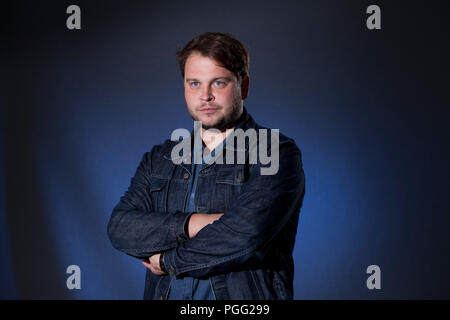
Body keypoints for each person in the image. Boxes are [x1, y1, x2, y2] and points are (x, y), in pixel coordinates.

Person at [107, 32, 305, 300]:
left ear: (243, 86)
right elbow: (120, 227)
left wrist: (169, 262)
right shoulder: (160, 158)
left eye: (219, 83)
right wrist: (194, 223)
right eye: (194, 84)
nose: (206, 96)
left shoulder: (276, 152)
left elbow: (246, 235)